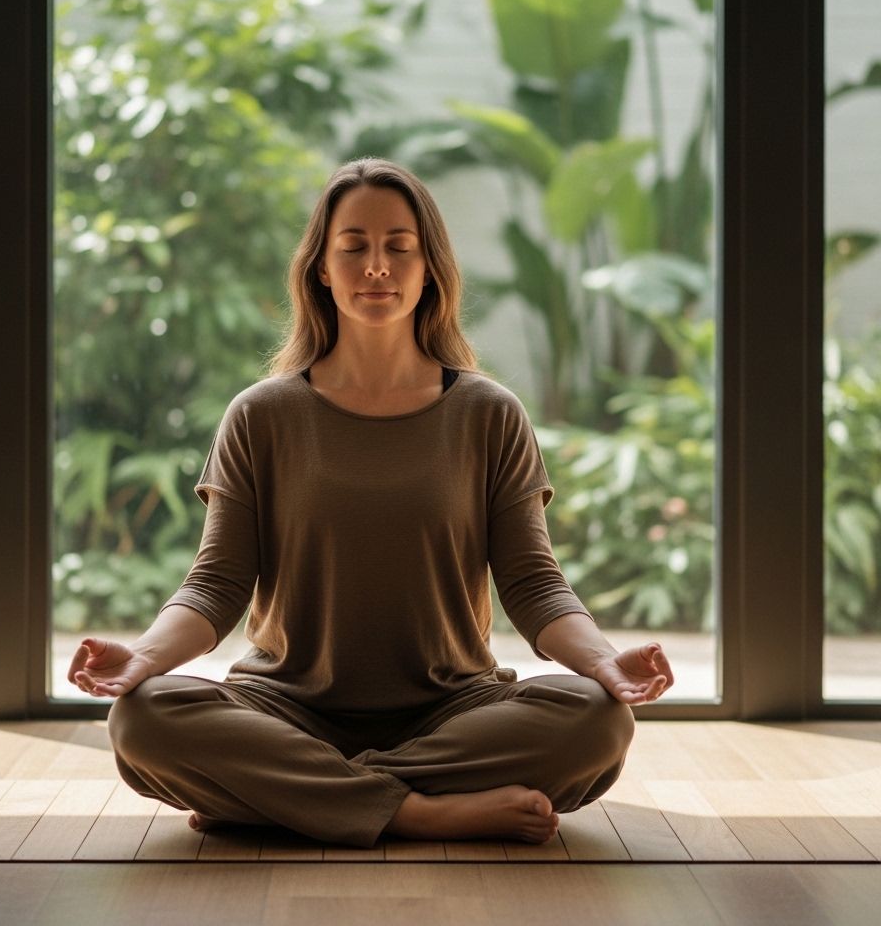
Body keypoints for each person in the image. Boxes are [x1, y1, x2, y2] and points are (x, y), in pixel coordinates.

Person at [68, 157, 674, 850]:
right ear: (321, 269)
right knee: (143, 718)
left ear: (430, 268)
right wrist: (143, 659)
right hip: (284, 705)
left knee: (596, 721)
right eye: (353, 248)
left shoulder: (489, 414)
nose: (377, 266)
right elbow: (216, 584)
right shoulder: (261, 415)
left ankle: (284, 798)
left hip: (454, 709)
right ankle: (420, 812)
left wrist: (603, 663)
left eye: (399, 247)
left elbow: (534, 585)